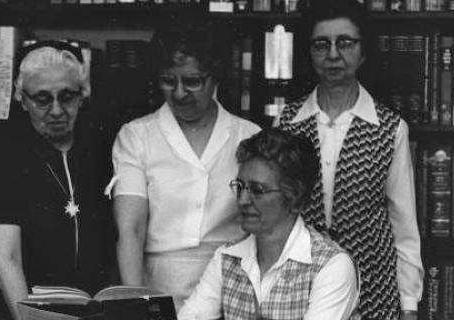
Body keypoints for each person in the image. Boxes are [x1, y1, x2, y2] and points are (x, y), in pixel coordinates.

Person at [275, 0, 423, 318]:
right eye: (321, 44)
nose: (332, 55)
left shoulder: (390, 128)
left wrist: (408, 304)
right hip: (304, 286)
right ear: (309, 52)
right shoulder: (286, 122)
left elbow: (404, 224)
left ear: (363, 51)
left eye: (345, 43)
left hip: (373, 287)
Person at [110, 23, 261, 309]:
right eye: (168, 80)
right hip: (158, 287)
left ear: (215, 77)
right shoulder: (136, 135)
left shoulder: (249, 136)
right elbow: (131, 229)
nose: (179, 93)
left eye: (192, 81)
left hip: (233, 286)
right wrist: (134, 304)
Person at [0, 40, 115, 320]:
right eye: (43, 99)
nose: (56, 111)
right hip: (31, 308)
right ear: (22, 99)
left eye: (67, 96)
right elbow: (7, 259)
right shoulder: (6, 161)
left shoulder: (103, 151)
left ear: (83, 95)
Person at [179, 129, 359, 320]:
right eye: (239, 187)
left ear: (294, 198)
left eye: (257, 190)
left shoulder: (331, 266)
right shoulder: (227, 258)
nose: (242, 200)